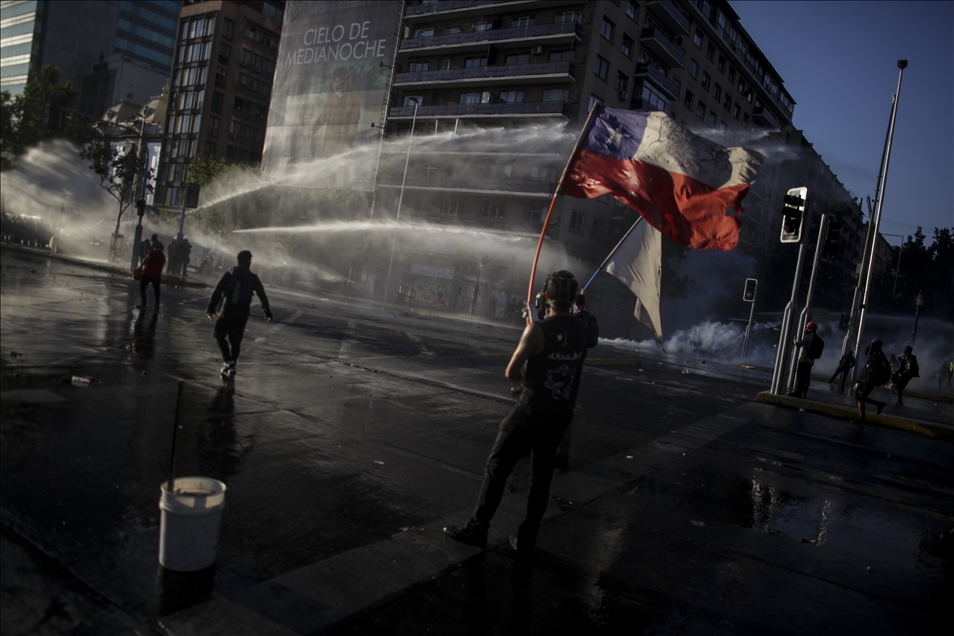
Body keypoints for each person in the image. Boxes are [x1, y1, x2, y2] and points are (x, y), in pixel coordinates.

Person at [444, 271, 589, 557]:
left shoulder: (537, 331)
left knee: (497, 467)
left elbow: (511, 372)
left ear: (546, 296)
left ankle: (478, 528)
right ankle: (527, 538)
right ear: (574, 298)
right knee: (541, 479)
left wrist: (526, 374)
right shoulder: (584, 329)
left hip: (530, 412)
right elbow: (566, 335)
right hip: (560, 416)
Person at [206, 250, 273, 378]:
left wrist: (210, 308)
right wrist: (267, 311)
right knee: (236, 341)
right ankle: (232, 365)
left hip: (227, 311)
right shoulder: (253, 278)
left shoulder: (229, 274)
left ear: (238, 260)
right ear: (249, 262)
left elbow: (217, 292)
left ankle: (228, 360)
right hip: (242, 313)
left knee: (219, 334)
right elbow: (262, 295)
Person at [311, 66, 360, 158]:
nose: (338, 84)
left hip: (343, 140)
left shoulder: (352, 93)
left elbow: (354, 119)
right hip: (329, 139)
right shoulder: (330, 93)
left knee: (340, 167)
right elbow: (324, 115)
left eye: (341, 80)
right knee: (325, 165)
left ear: (345, 80)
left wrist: (349, 141)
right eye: (336, 81)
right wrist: (313, 129)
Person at [853, 338, 890, 423]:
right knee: (859, 398)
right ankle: (879, 405)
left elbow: (885, 371)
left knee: (860, 397)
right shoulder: (873, 355)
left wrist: (872, 369)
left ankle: (862, 417)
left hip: (869, 380)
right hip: (864, 379)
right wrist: (859, 380)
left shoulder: (880, 356)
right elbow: (865, 370)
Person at [789, 322, 823, 398]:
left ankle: (798, 392)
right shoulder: (816, 338)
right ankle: (804, 393)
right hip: (811, 361)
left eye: (807, 328)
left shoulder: (808, 337)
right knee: (807, 377)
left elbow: (798, 345)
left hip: (804, 361)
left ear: (811, 329)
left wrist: (794, 339)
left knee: (800, 377)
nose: (806, 329)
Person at [139, 240, 166, 309]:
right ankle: (157, 304)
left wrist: (140, 266)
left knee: (142, 288)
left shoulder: (152, 253)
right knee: (156, 290)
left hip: (147, 274)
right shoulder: (163, 256)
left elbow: (146, 259)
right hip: (157, 276)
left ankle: (144, 304)